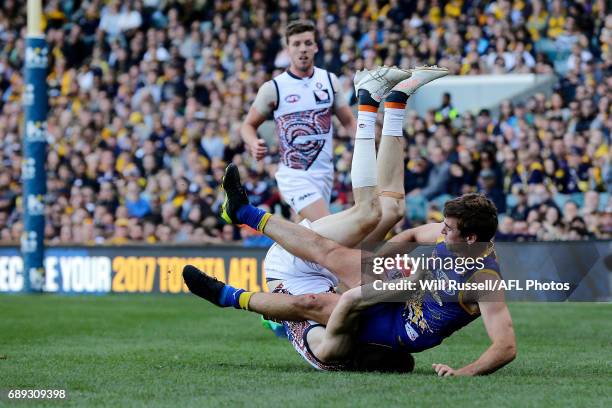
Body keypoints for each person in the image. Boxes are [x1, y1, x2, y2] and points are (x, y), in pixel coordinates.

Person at [190, 67, 515, 375]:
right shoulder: (451, 240)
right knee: (387, 213)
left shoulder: (484, 279)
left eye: (448, 229)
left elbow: (505, 346)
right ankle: (395, 102)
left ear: (472, 240)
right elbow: (414, 236)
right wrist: (371, 260)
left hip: (390, 323)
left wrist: (462, 373)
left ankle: (229, 296)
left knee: (317, 299)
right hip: (391, 298)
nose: (441, 233)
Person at [241, 20, 356, 221]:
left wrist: (368, 143)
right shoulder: (274, 88)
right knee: (325, 225)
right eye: (296, 44)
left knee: (309, 236)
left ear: (316, 46)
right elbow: (248, 125)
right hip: (294, 174)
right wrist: (253, 142)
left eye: (307, 43)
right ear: (288, 49)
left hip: (325, 172)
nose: (303, 49)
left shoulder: (329, 81)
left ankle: (281, 254)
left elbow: (349, 123)